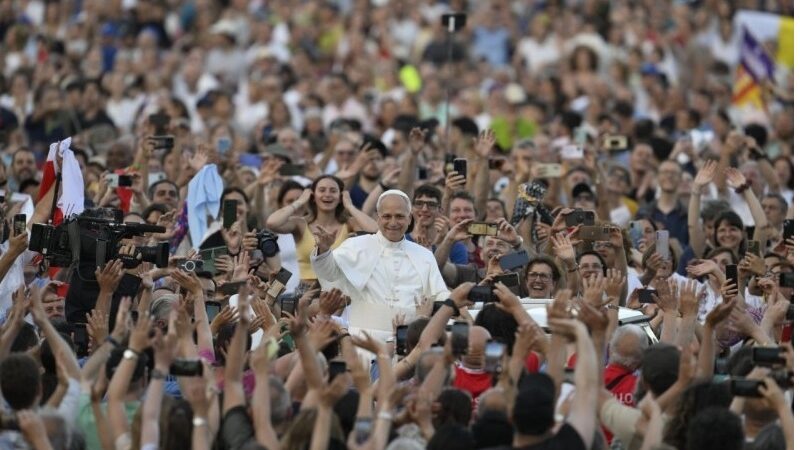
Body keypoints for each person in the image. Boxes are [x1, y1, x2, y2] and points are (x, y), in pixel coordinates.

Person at [310, 190, 449, 336]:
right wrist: (324, 251)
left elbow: (439, 294)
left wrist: (457, 301)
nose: (393, 223)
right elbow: (330, 275)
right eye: (387, 216)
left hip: (407, 339)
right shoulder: (355, 246)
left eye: (400, 216)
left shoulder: (424, 255)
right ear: (378, 218)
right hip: (363, 338)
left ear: (409, 219)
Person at [267, 174, 378, 284]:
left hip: (340, 291)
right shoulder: (301, 224)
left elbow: (375, 230)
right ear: (313, 197)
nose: (327, 194)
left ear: (340, 198)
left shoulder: (349, 223)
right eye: (322, 190)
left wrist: (349, 206)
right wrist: (300, 201)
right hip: (306, 293)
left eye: (333, 191)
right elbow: (272, 223)